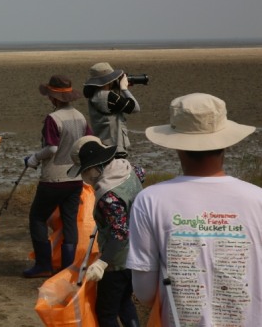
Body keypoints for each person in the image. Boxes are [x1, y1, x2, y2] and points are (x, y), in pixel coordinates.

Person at [126, 93, 260, 326]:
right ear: (225, 143)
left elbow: (145, 292)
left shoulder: (150, 200)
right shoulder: (257, 199)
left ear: (176, 146)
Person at [67, 136, 142, 327]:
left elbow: (119, 232)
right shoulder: (128, 169)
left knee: (106, 312)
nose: (86, 176)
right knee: (125, 300)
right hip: (139, 252)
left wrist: (102, 262)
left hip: (117, 262)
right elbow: (142, 175)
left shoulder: (108, 195)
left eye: (86, 170)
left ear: (97, 166)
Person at [22, 74, 92, 278]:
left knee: (37, 217)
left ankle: (43, 265)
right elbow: (88, 141)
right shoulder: (80, 116)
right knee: (69, 221)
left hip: (54, 179)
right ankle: (68, 267)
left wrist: (34, 158)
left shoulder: (53, 118)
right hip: (75, 178)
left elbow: (51, 148)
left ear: (54, 98)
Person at [83, 62, 140, 157]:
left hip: (103, 145)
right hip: (115, 147)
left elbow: (113, 103)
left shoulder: (95, 95)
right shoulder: (109, 97)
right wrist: (124, 89)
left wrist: (117, 87)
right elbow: (135, 108)